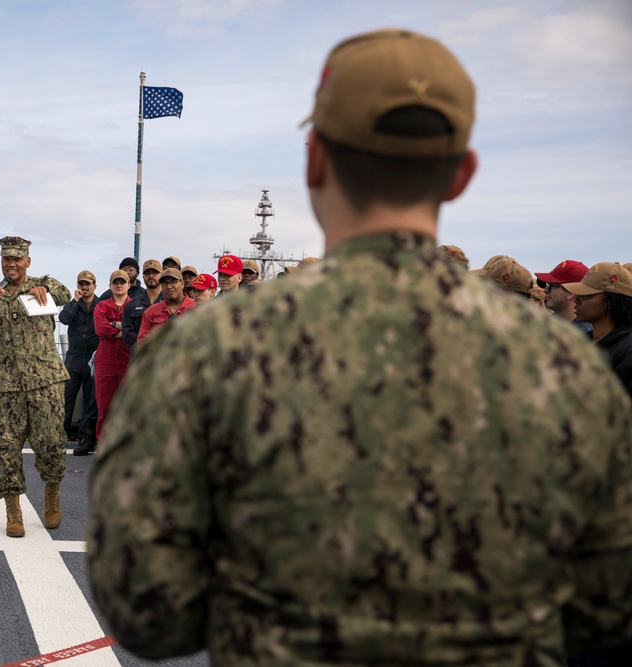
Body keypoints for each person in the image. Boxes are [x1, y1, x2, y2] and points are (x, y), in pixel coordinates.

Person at [87, 29, 632, 665]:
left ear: (315, 158)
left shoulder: (208, 348)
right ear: (461, 175)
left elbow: (143, 607)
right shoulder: (568, 366)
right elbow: (607, 608)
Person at [0, 237, 70, 538]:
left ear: (28, 261)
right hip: (5, 387)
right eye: (7, 259)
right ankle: (13, 511)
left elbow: (66, 295)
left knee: (50, 444)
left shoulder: (44, 285)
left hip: (45, 383)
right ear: (1, 262)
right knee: (6, 449)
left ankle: (52, 493)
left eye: (18, 259)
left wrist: (45, 291)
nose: (12, 264)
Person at [564, 261, 632, 394]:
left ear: (611, 301)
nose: (576, 300)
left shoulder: (627, 351)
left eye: (587, 295)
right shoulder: (580, 340)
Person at [58, 270, 100, 456]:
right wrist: (74, 301)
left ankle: (85, 440)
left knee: (91, 401)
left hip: (93, 354)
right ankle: (59, 438)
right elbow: (64, 319)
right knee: (66, 398)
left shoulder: (101, 304)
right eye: (81, 284)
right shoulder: (73, 304)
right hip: (74, 355)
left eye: (87, 284)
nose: (84, 287)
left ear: (94, 286)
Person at [93, 270, 132, 444]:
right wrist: (124, 330)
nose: (119, 285)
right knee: (104, 405)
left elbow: (136, 331)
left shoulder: (134, 306)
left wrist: (114, 326)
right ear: (110, 286)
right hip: (105, 361)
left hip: (128, 360)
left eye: (122, 282)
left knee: (128, 405)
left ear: (129, 285)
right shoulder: (101, 306)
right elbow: (101, 329)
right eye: (115, 282)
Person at [136, 268, 195, 344]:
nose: (169, 286)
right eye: (164, 283)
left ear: (182, 284)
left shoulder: (197, 308)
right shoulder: (150, 312)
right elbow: (142, 343)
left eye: (173, 282)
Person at [535, 260, 592, 333]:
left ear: (570, 292)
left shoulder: (586, 335)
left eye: (551, 285)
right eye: (546, 285)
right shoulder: (541, 325)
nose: (545, 290)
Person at [120, 258, 163, 352]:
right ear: (143, 276)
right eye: (147, 273)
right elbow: (127, 332)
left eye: (155, 272)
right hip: (141, 357)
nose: (151, 276)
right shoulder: (132, 304)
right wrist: (143, 349)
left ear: (162, 275)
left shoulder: (170, 302)